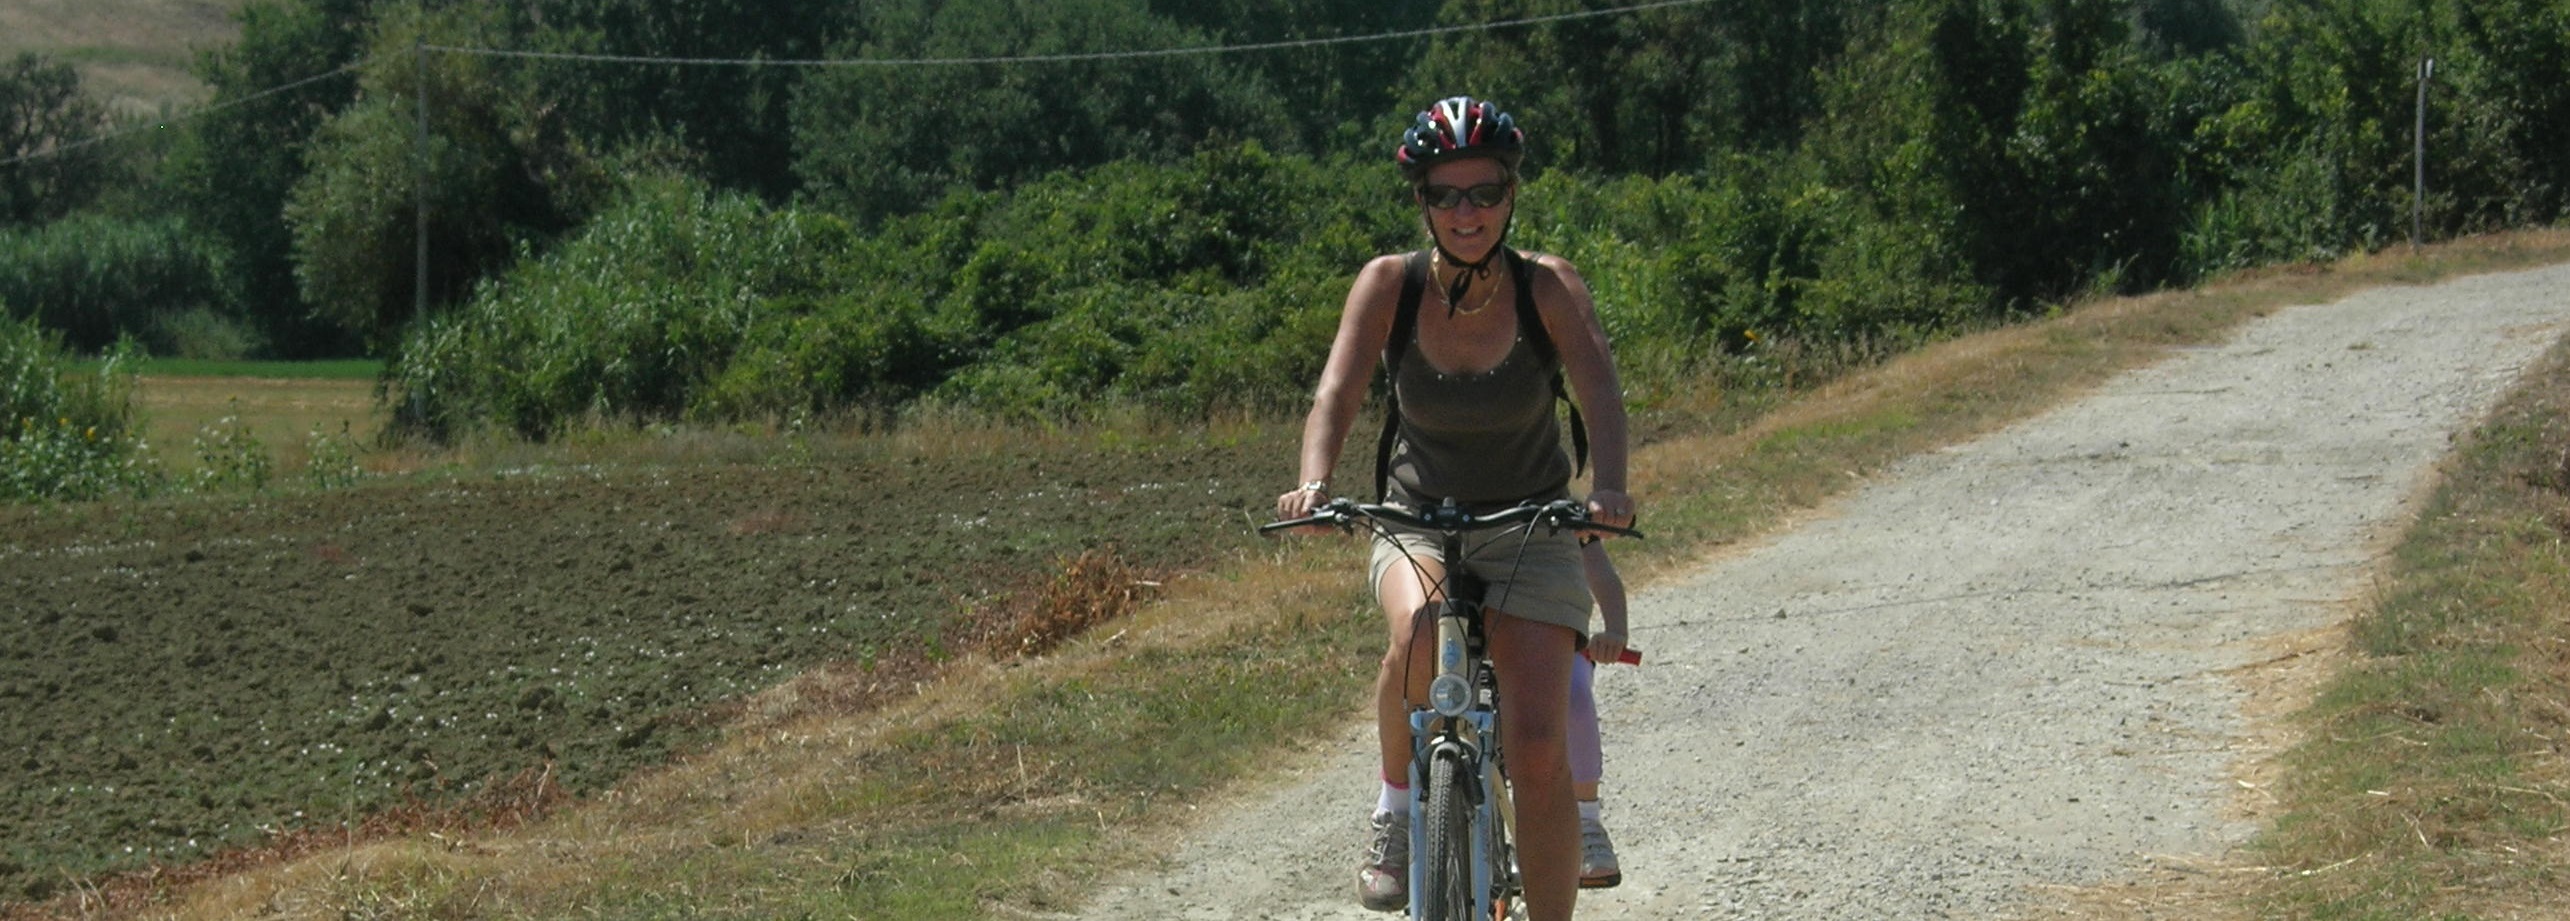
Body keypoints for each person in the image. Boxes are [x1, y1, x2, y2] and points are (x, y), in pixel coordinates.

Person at [1274, 95, 1635, 921]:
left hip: (1532, 522)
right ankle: (1397, 812)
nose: (1467, 212)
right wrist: (1314, 479)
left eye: (1485, 192)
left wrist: (1607, 487)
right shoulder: (1387, 285)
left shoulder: (1547, 286)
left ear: (1511, 195)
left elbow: (1601, 391)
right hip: (1416, 517)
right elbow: (1336, 389)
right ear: (1422, 202)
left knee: (1540, 745)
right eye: (1447, 194)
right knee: (1416, 628)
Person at [1571, 537, 1629, 889]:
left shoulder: (1540, 484)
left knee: (1574, 698)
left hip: (1549, 634)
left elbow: (1598, 569)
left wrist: (1614, 631)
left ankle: (1585, 819)